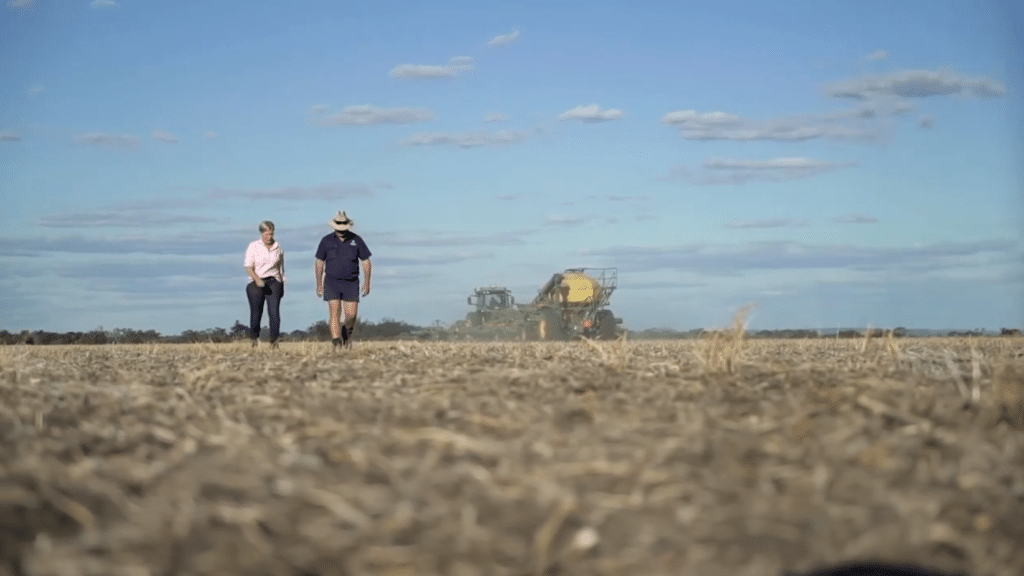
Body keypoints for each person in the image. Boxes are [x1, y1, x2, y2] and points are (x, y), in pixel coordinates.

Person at [315, 210, 372, 349]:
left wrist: (367, 282)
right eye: (338, 225)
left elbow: (366, 261)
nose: (341, 229)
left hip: (351, 282)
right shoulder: (326, 240)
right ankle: (336, 341)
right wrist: (319, 284)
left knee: (351, 315)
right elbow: (319, 262)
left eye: (343, 225)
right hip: (331, 281)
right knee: (334, 312)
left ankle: (346, 337)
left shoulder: (357, 240)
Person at [244, 221, 286, 348]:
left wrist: (282, 283)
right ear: (262, 233)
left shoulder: (278, 247)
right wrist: (257, 279)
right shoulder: (253, 246)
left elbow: (281, 268)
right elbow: (248, 267)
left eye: (271, 234)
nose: (269, 237)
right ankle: (254, 340)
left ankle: (274, 342)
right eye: (266, 234)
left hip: (273, 281)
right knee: (256, 312)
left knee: (274, 313)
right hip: (256, 281)